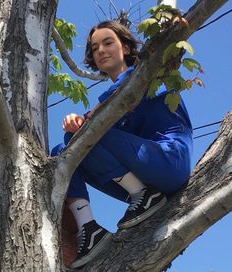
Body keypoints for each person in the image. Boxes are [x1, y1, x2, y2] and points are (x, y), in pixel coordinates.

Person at [51, 20, 193, 269]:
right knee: (62, 153)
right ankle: (89, 228)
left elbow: (99, 116)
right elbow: (93, 122)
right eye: (95, 48)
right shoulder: (111, 102)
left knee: (81, 135)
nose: (101, 51)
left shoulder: (146, 74)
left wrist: (81, 122)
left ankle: (144, 195)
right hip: (144, 176)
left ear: (126, 48)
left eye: (108, 43)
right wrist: (78, 123)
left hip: (169, 163)